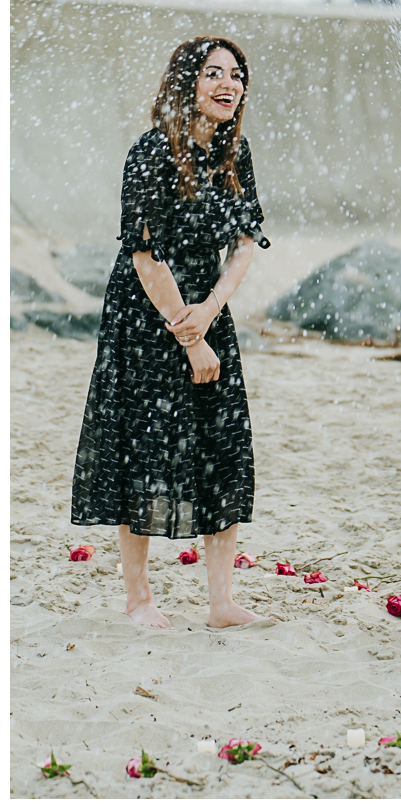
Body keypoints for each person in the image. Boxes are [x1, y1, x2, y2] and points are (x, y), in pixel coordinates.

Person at [72, 36, 271, 630]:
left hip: (206, 309)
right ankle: (139, 600)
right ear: (186, 84)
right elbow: (144, 255)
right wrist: (189, 334)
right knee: (146, 448)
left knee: (222, 445)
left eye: (236, 75)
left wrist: (210, 310)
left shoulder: (235, 153)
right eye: (213, 74)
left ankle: (221, 602)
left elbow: (244, 244)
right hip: (148, 312)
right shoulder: (152, 151)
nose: (227, 85)